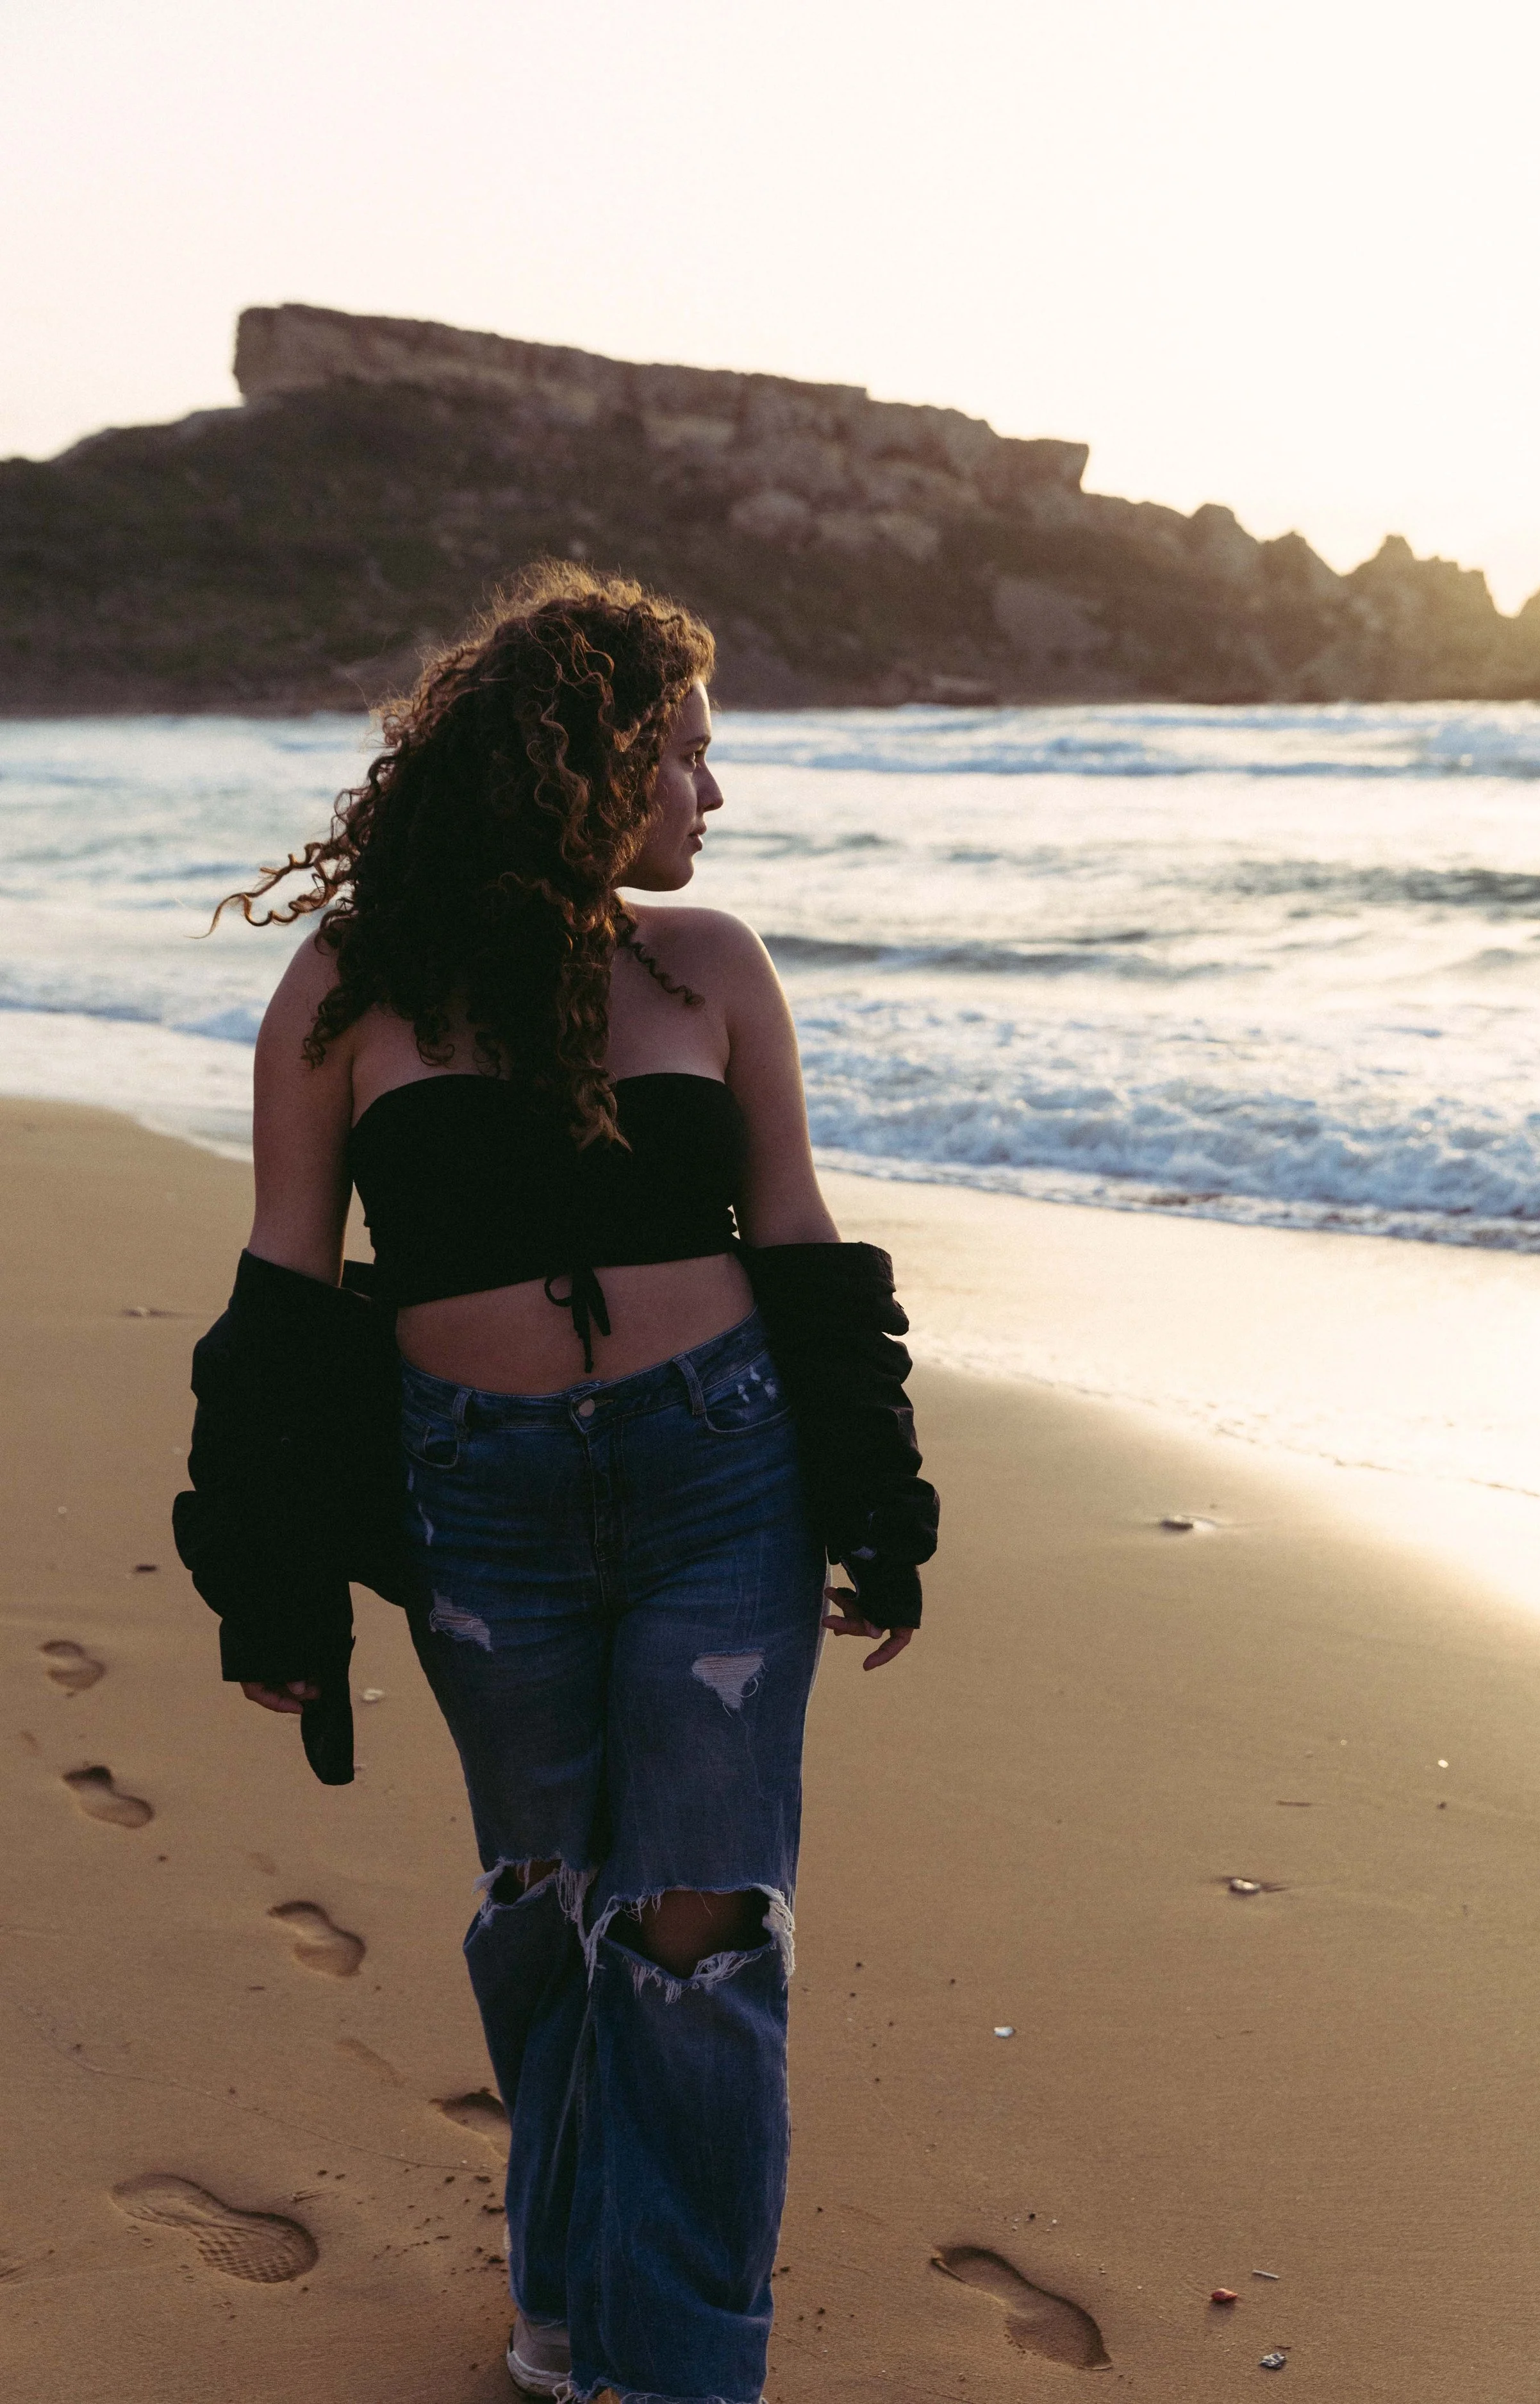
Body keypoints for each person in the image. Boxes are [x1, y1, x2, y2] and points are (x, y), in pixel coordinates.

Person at [178, 562, 937, 2404]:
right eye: (683, 752)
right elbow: (285, 1288)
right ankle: (567, 2290)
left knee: (695, 1921)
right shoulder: (352, 984)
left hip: (721, 1477)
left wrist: (874, 1488)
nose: (710, 793)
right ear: (585, 762)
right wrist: (267, 1572)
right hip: (481, 1505)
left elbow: (801, 1238)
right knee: (544, 1908)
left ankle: (672, 2367)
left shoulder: (712, 966)